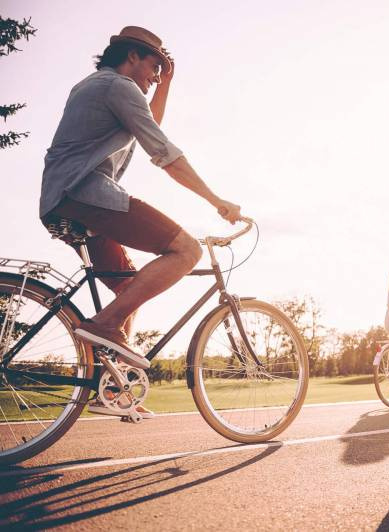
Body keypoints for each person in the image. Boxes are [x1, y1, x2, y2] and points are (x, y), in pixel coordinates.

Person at [39, 26, 243, 416]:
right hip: (84, 195)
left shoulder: (98, 85)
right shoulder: (117, 86)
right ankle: (104, 326)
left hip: (62, 200)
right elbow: (163, 150)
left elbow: (147, 123)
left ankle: (110, 390)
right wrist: (216, 200)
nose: (156, 75)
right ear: (131, 56)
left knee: (132, 289)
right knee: (185, 250)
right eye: (155, 66)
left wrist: (165, 85)